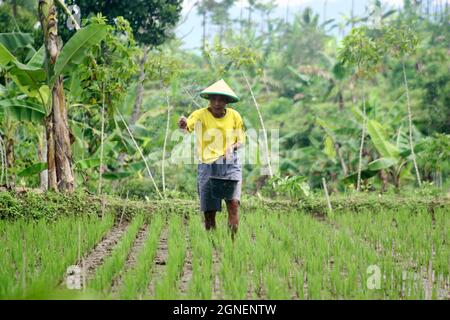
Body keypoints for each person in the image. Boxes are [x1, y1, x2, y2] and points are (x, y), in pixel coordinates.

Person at [178, 79, 245, 239]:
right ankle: (212, 246)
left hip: (230, 164)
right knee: (209, 211)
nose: (217, 102)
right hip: (207, 165)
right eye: (214, 99)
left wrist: (231, 147)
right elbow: (188, 126)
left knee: (233, 203)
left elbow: (240, 140)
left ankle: (232, 245)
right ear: (209, 100)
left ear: (227, 101)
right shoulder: (200, 114)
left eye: (221, 99)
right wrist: (183, 123)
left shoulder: (235, 116)